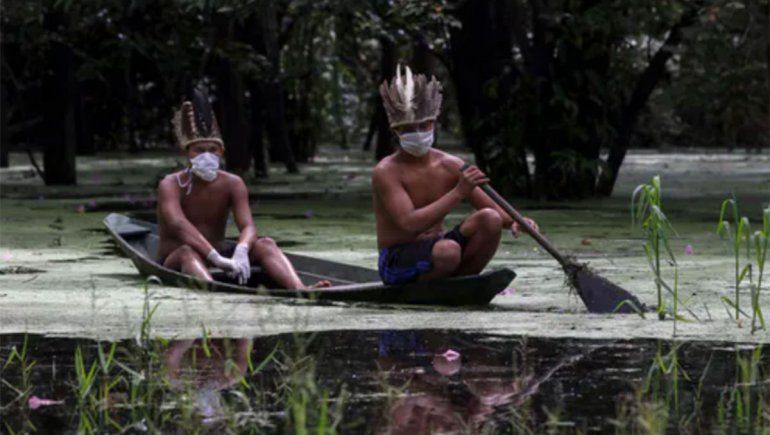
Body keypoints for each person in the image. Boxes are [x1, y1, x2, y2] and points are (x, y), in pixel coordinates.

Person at [373, 65, 539, 285]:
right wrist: (459, 192)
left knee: (490, 219)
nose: (418, 133)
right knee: (448, 251)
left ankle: (460, 282)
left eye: (424, 125)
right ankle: (436, 284)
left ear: (433, 123)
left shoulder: (451, 164)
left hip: (439, 247)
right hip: (398, 259)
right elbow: (409, 223)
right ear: (396, 130)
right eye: (409, 128)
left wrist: (517, 221)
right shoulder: (386, 172)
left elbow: (494, 209)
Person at [156, 87, 328, 289]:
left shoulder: (233, 183)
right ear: (187, 153)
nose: (207, 155)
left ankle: (300, 290)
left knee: (266, 244)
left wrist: (242, 249)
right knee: (187, 252)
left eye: (212, 150)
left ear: (221, 151)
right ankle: (214, 293)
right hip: (177, 258)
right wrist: (216, 258)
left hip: (219, 256)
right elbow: (178, 225)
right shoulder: (171, 184)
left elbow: (248, 226)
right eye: (199, 150)